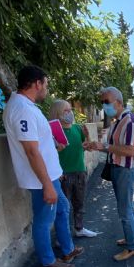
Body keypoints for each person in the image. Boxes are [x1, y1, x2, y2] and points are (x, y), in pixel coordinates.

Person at [3, 65, 83, 267]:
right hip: (41, 179)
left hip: (49, 175)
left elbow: (38, 145)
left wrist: (55, 157)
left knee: (63, 209)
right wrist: (47, 184)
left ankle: (67, 250)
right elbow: (31, 152)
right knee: (43, 220)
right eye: (46, 84)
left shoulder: (26, 106)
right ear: (37, 84)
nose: (46, 89)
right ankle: (48, 262)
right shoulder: (22, 109)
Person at [84, 86, 134, 262]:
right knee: (128, 206)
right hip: (119, 169)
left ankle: (132, 247)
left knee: (124, 210)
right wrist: (95, 144)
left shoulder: (130, 121)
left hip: (125, 171)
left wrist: (105, 147)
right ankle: (133, 236)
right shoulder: (118, 121)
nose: (104, 106)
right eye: (102, 102)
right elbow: (109, 144)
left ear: (118, 102)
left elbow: (130, 150)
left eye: (107, 102)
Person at [49, 99, 98, 238]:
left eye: (70, 110)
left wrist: (87, 135)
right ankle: (62, 237)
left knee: (80, 204)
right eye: (66, 110)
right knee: (64, 209)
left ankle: (79, 228)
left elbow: (85, 146)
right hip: (63, 175)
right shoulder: (53, 133)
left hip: (80, 172)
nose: (70, 113)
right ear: (57, 113)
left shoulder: (77, 128)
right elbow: (49, 154)